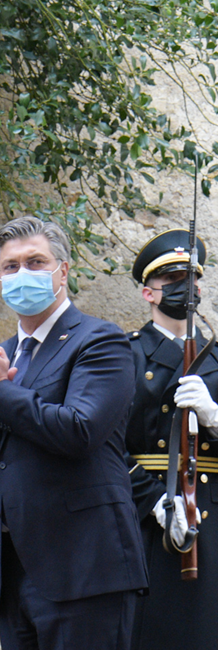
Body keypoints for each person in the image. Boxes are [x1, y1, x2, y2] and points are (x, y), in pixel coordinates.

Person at [0, 216, 146, 650]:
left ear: (62, 271)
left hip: (85, 569)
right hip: (14, 572)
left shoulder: (100, 341)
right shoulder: (0, 355)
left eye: (35, 262)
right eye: (11, 266)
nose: (22, 274)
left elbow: (79, 431)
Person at [123, 229, 218, 649]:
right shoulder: (125, 354)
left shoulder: (216, 358)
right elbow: (105, 447)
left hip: (212, 514)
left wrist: (214, 416)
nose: (186, 288)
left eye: (191, 279)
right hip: (148, 514)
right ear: (149, 293)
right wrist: (155, 502)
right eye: (173, 280)